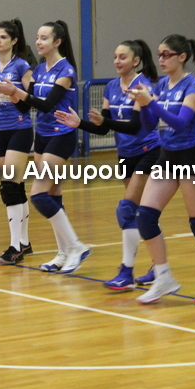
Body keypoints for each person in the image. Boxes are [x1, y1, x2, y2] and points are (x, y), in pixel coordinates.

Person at [126, 34, 195, 305]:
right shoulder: (161, 84)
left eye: (166, 54)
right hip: (168, 156)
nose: (160, 59)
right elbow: (150, 125)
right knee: (145, 217)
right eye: (158, 54)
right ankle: (163, 277)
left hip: (193, 157)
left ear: (181, 57)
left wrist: (151, 102)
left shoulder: (193, 85)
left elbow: (181, 123)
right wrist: (144, 104)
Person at [55, 40, 160, 290]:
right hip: (125, 154)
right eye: (115, 57)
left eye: (123, 57)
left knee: (127, 210)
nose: (117, 61)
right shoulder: (112, 87)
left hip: (149, 151)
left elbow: (134, 126)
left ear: (136, 61)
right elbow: (104, 128)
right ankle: (159, 265)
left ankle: (126, 271)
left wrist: (104, 121)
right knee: (142, 213)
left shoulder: (142, 86)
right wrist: (79, 123)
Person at [0, 20, 90, 274]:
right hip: (43, 135)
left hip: (62, 135)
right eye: (37, 37)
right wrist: (8, 93)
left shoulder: (66, 70)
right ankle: (63, 252)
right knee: (53, 195)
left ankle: (76, 246)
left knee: (38, 194)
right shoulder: (39, 70)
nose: (38, 42)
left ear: (57, 42)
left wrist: (16, 91)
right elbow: (26, 106)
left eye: (44, 38)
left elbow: (47, 105)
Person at [0, 18, 37, 264]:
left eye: (3, 37)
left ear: (14, 41)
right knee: (15, 186)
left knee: (9, 186)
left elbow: (28, 101)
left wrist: (12, 93)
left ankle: (14, 247)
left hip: (19, 128)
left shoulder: (22, 66)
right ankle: (24, 242)